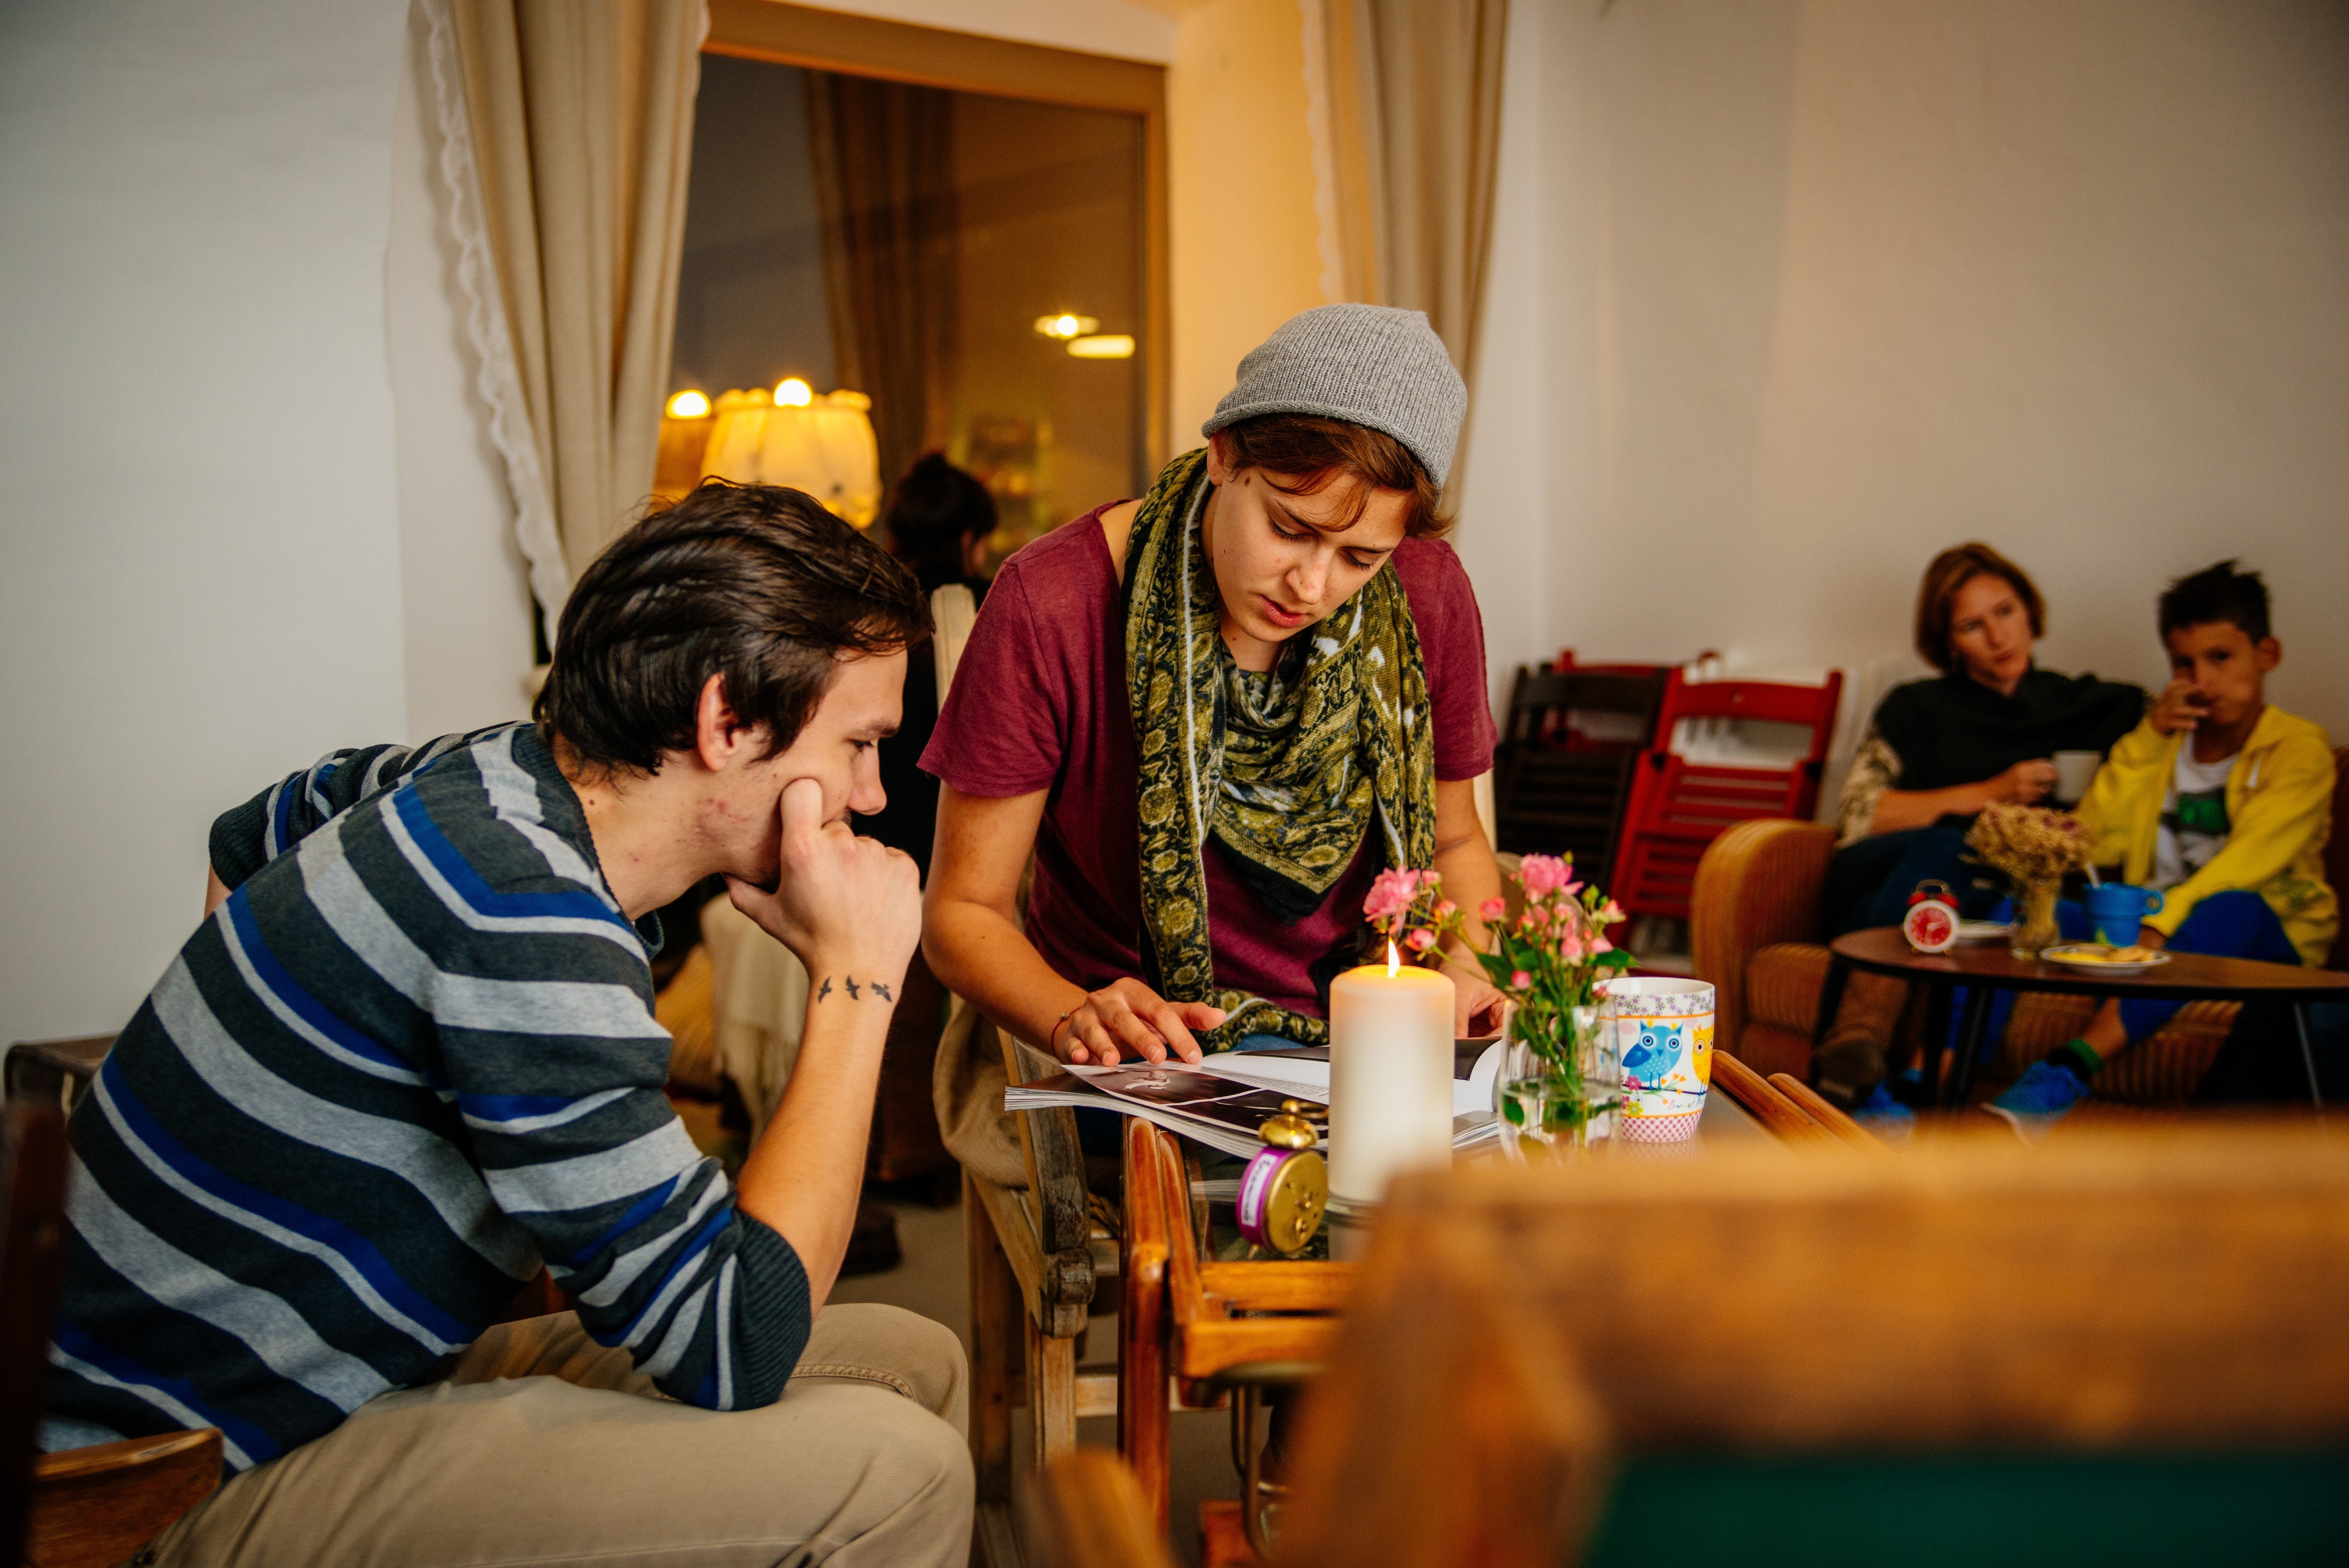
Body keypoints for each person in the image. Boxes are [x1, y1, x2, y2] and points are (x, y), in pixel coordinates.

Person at [42, 481, 975, 1566]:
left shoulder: (494, 772)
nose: (872, 793)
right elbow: (738, 1338)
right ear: (727, 721)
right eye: (860, 743)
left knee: (914, 1360)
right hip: (164, 1475)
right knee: (903, 1467)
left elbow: (256, 828)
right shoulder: (526, 911)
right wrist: (857, 979)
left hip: (325, 1377)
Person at [922, 304, 1505, 1073]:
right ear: (1224, 454)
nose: (1310, 585)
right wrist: (1075, 1016)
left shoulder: (1426, 593)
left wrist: (1465, 968)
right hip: (1147, 1052)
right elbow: (963, 913)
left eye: (1359, 558)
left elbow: (1454, 840)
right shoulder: (1054, 603)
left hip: (1371, 1031)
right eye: (1289, 529)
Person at [1987, 559, 2337, 1133]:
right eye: (2183, 664)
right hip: (2152, 933)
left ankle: (2069, 1068)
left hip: (2263, 943)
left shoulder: (2301, 750)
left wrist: (2161, 924)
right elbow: (2088, 841)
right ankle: (1925, 1087)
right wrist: (2150, 737)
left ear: (2266, 654)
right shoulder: (2162, 747)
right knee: (2020, 911)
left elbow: (2248, 864)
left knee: (2231, 907)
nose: (2202, 680)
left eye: (2220, 658)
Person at [1811, 543, 2143, 1106]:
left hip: (1964, 907)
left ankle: (1854, 1069)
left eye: (2006, 612)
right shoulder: (1917, 707)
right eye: (1972, 625)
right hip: (1882, 870)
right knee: (1950, 847)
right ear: (1949, 643)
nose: (1998, 637)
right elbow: (1861, 815)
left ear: (2030, 610)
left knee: (1986, 891)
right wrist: (1992, 792)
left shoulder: (2088, 704)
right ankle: (1858, 1034)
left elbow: (2179, 721)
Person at [868, 452, 997, 878]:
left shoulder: (864, 608)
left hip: (871, 833)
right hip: (964, 850)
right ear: (968, 539)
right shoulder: (995, 607)